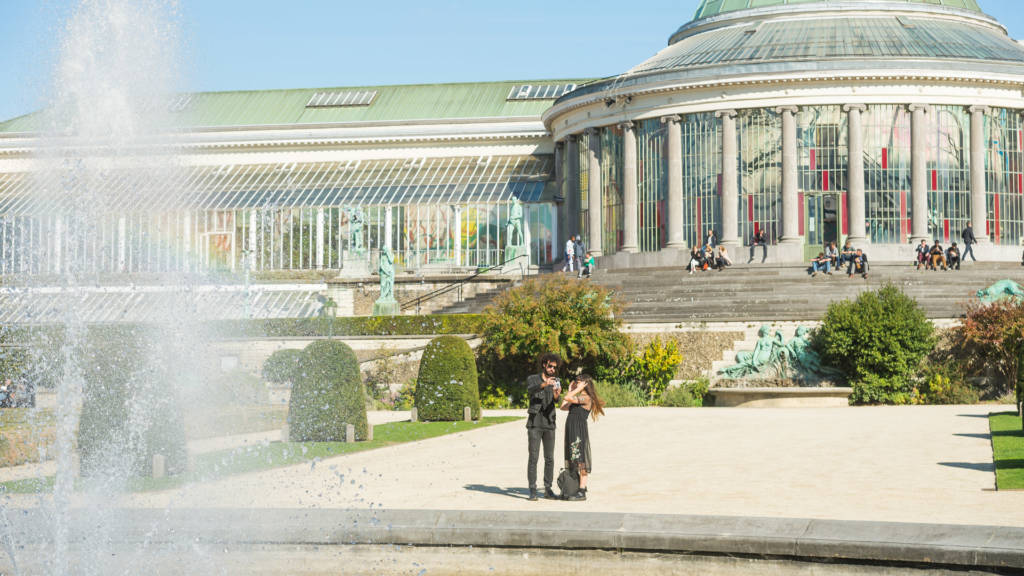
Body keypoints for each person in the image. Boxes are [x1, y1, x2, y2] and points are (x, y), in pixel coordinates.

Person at [559, 373, 605, 501]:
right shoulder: (577, 397)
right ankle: (574, 487)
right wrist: (571, 390)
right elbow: (563, 407)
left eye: (578, 381)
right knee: (573, 459)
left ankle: (582, 490)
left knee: (580, 461)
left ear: (585, 384)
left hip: (578, 432)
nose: (575, 383)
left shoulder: (587, 398)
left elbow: (568, 398)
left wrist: (574, 391)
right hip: (571, 431)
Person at [526, 353, 562, 501]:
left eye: (555, 367)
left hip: (549, 423)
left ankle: (548, 489)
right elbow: (530, 390)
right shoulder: (533, 378)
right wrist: (544, 384)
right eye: (550, 366)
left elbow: (556, 400)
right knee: (533, 458)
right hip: (535, 423)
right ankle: (533, 490)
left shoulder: (557, 381)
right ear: (544, 365)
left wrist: (556, 393)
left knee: (549, 458)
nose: (553, 369)